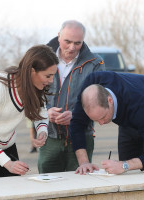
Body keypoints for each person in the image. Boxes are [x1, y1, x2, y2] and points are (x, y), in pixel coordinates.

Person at [0, 45, 59, 179]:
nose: (51, 81)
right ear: (32, 71)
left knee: (13, 187)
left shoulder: (35, 86)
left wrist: (42, 131)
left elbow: (42, 113)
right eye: (48, 76)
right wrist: (8, 164)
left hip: (7, 142)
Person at [70, 71, 144, 175]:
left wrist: (124, 165)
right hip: (128, 109)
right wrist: (84, 163)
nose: (101, 123)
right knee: (126, 168)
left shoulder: (139, 105)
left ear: (110, 100)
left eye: (103, 117)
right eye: (96, 120)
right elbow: (77, 124)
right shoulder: (90, 87)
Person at [37, 20, 105, 173]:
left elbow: (100, 101)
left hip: (82, 136)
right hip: (49, 137)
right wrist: (45, 113)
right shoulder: (39, 60)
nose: (72, 47)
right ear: (59, 36)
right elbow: (30, 95)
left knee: (79, 187)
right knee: (48, 186)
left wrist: (76, 115)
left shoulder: (96, 63)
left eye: (78, 43)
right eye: (67, 41)